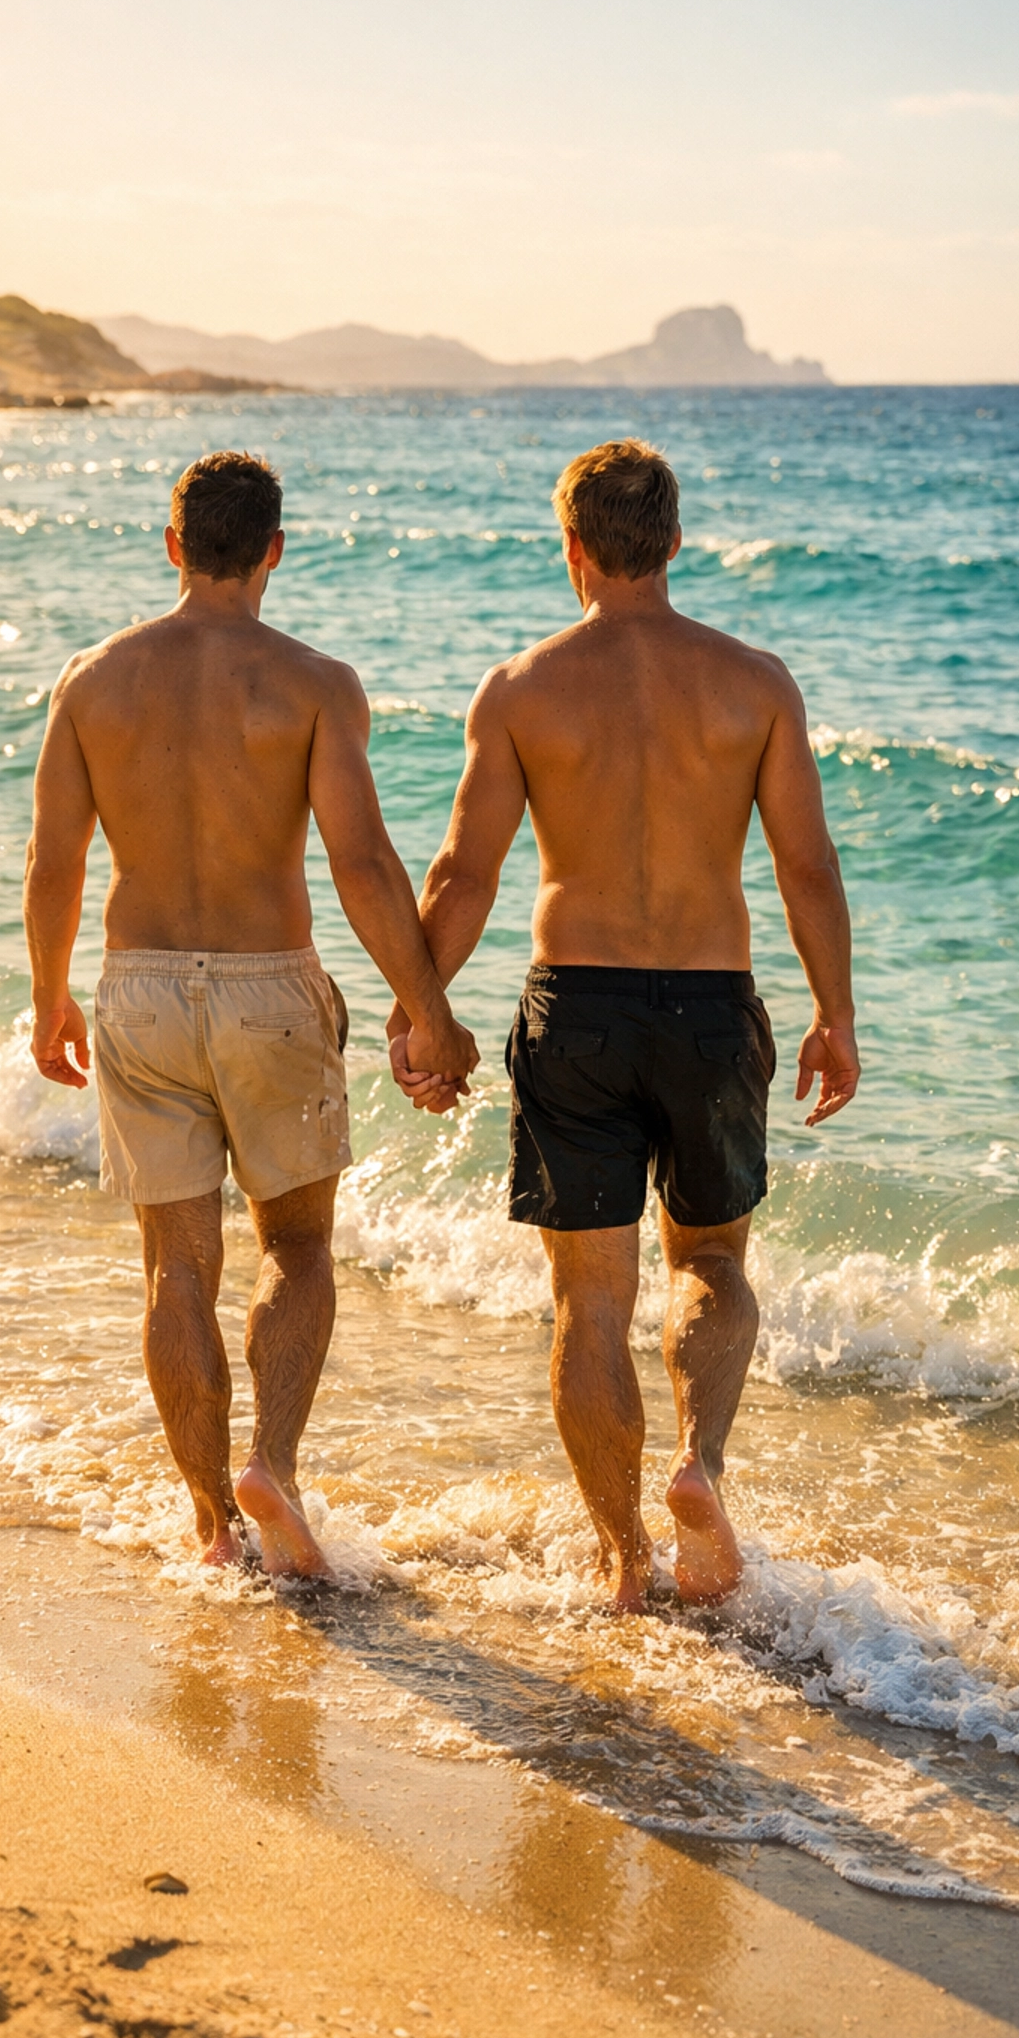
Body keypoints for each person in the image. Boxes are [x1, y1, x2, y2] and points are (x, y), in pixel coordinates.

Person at [389, 438, 859, 1612]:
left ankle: (622, 1560)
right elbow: (806, 865)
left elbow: (465, 875)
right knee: (709, 1260)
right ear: (676, 545)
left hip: (577, 1008)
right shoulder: (755, 683)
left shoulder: (522, 689)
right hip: (709, 1007)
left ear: (573, 546)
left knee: (588, 1301)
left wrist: (421, 1011)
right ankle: (697, 1464)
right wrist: (834, 1017)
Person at [25, 450, 478, 1581]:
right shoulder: (316, 684)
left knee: (177, 1270)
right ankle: (270, 1463)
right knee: (298, 1245)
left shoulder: (93, 680)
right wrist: (426, 1011)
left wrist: (49, 997)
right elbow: (364, 863)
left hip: (137, 987)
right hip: (269, 983)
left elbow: (54, 859)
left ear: (172, 544)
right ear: (275, 549)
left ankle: (211, 1526)